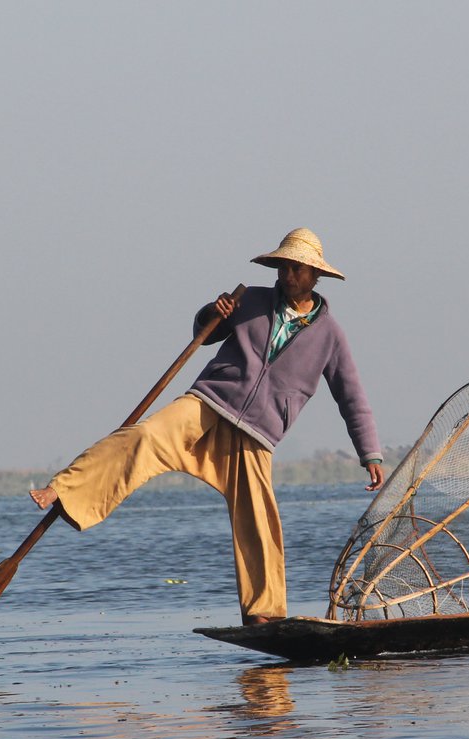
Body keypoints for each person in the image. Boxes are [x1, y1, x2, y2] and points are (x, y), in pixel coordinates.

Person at [29, 228, 384, 624]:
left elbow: (351, 397)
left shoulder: (330, 336)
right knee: (143, 436)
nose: (286, 275)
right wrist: (213, 312)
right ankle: (65, 490)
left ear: (315, 275)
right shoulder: (250, 298)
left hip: (256, 434)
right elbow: (204, 335)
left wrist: (368, 453)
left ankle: (264, 614)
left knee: (260, 522)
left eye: (296, 269)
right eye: (282, 267)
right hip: (207, 404)